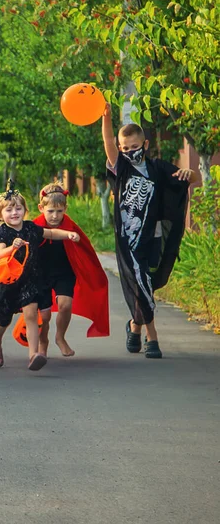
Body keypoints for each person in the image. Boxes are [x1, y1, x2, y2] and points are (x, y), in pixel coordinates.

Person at [102, 104, 197, 358]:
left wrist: (191, 174)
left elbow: (189, 179)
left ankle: (134, 327)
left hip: (152, 238)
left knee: (148, 284)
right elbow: (109, 145)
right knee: (141, 281)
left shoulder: (157, 168)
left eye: (134, 147)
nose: (130, 152)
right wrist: (107, 118)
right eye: (125, 149)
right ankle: (152, 338)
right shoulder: (121, 169)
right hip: (128, 241)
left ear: (144, 145)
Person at [0, 181, 80, 372]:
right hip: (10, 282)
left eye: (18, 208)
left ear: (25, 210)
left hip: (30, 281)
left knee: (31, 316)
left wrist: (68, 234)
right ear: (1, 214)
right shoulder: (3, 232)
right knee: (3, 319)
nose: (14, 213)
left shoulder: (31, 228)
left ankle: (33, 355)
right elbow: (0, 253)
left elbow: (51, 233)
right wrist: (13, 247)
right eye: (9, 210)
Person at [35, 183, 109, 358]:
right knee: (43, 317)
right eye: (51, 211)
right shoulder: (35, 226)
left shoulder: (71, 227)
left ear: (65, 209)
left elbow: (85, 251)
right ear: (41, 208)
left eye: (59, 211)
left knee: (65, 305)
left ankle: (60, 337)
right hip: (41, 275)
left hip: (65, 273)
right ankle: (42, 341)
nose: (55, 216)